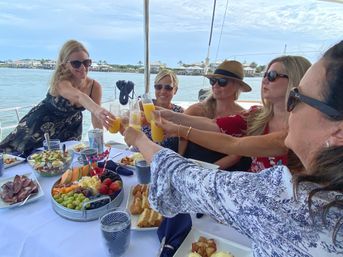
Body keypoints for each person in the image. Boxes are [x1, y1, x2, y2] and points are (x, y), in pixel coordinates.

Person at [123, 40, 343, 256]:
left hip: (244, 208)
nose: (290, 108)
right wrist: (171, 119)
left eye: (296, 96)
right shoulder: (258, 116)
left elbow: (202, 167)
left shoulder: (287, 198)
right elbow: (218, 129)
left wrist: (141, 140)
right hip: (244, 218)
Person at [159, 55, 311, 172]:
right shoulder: (255, 116)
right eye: (264, 75)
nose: (264, 80)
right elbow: (213, 125)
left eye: (272, 76)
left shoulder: (306, 131)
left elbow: (234, 145)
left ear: (295, 80)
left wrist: (177, 128)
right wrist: (168, 115)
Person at [0, 40, 113, 156]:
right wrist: (97, 109)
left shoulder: (94, 86)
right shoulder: (60, 82)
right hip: (40, 127)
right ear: (65, 65)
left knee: (63, 163)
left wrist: (100, 145)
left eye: (86, 62)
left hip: (70, 129)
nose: (83, 67)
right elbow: (78, 96)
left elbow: (96, 119)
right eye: (76, 63)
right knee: (16, 159)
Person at [180, 60, 252, 170]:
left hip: (222, 170)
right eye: (213, 81)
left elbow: (236, 155)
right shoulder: (197, 110)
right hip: (191, 165)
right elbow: (181, 135)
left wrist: (208, 171)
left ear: (237, 86)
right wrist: (179, 160)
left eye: (222, 81)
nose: (215, 85)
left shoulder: (242, 116)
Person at [141, 69, 183, 151]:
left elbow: (183, 139)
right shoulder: (143, 106)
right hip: (142, 156)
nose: (163, 91)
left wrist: (181, 156)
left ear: (175, 90)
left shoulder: (180, 112)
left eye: (168, 88)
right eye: (158, 87)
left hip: (168, 159)